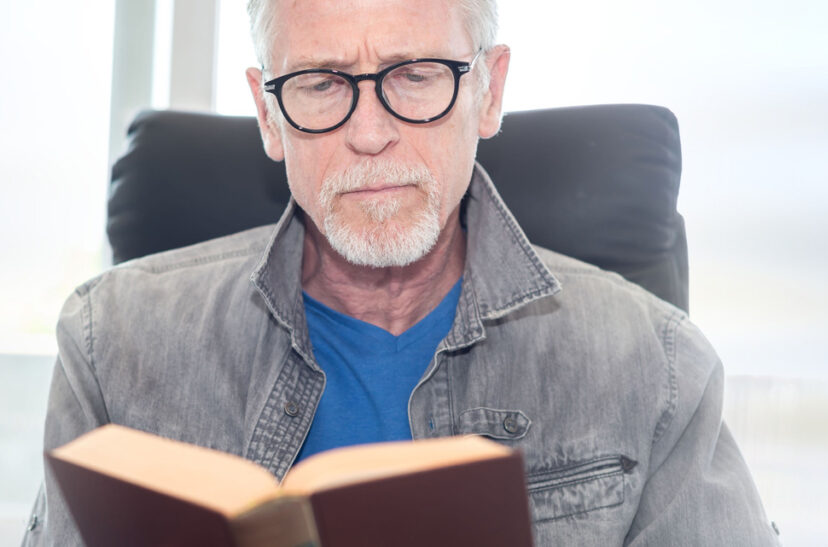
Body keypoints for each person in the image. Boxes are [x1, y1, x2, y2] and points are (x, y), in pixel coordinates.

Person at [23, 0, 780, 545]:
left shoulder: (656, 368)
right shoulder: (111, 344)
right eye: (321, 82)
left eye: (416, 75)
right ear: (267, 115)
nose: (371, 133)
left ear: (489, 91)